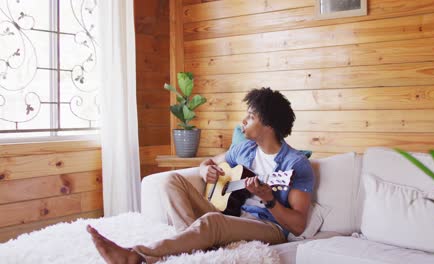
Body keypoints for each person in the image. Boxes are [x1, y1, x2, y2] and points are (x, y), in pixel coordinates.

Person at [87, 87, 315, 263]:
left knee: (212, 221)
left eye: (251, 116)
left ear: (268, 125)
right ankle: (196, 244)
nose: (243, 121)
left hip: (269, 225)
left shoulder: (295, 164)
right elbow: (211, 161)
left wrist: (270, 199)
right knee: (170, 180)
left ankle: (137, 255)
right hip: (232, 215)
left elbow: (297, 226)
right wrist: (205, 169)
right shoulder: (244, 149)